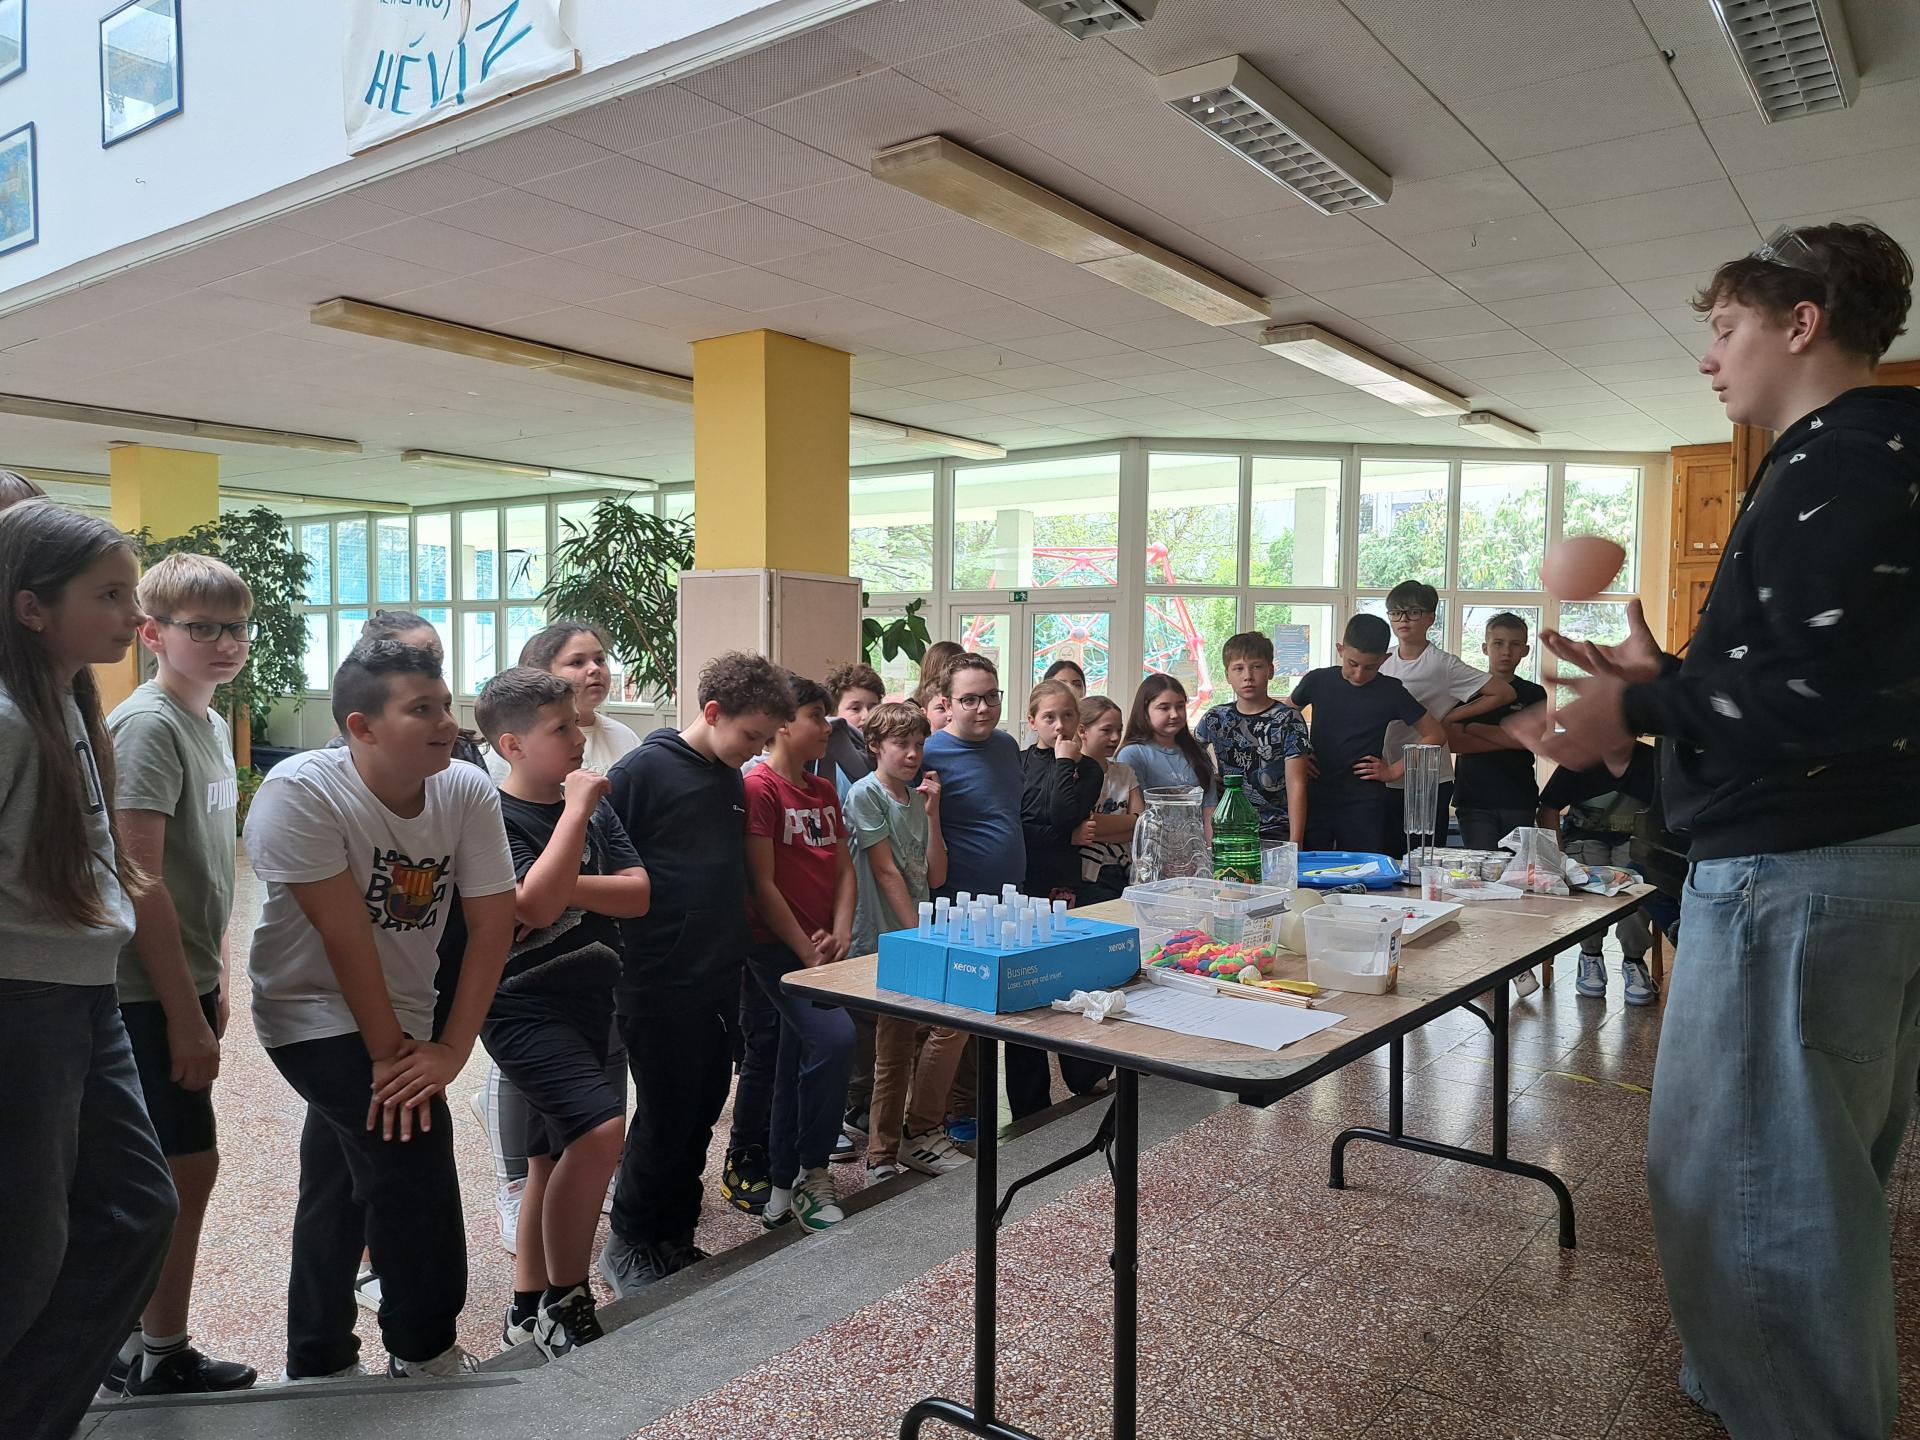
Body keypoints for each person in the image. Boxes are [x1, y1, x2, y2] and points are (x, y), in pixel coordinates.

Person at [1512, 221, 1919, 1439]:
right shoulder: (1872, 454)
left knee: (1757, 1190)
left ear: (1803, 323)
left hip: (1799, 873)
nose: (1709, 357)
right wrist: (1669, 682)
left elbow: (1812, 699)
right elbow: (1836, 688)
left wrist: (1633, 707)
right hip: (1853, 857)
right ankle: (1759, 1386)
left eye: (1727, 327)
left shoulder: (1843, 459)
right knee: (1812, 1181)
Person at [246, 637, 517, 1382]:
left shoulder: (465, 789)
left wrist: (452, 1050)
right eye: (421, 709)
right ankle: (424, 1351)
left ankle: (318, 1357)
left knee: (339, 1176)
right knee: (411, 1150)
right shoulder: (302, 790)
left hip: (407, 1007)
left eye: (446, 705)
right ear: (361, 727)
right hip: (310, 1011)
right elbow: (346, 938)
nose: (447, 723)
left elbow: (494, 923)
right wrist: (397, 1059)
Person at [0, 502, 176, 1440]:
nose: (131, 616)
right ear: (31, 608)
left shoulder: (69, 702)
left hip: (83, 995)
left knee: (135, 1215)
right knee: (25, 1256)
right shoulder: (7, 721)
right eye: (108, 596)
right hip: (22, 1005)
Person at [100, 555, 255, 1398]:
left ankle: (136, 1342)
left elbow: (209, 872)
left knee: (178, 1166)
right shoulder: (148, 725)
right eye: (202, 628)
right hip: (143, 991)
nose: (225, 642)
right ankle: (155, 1351)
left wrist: (215, 974)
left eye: (236, 627)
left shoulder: (208, 719)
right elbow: (140, 877)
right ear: (152, 633)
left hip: (184, 978)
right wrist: (183, 1014)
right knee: (183, 1168)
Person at [601, 653, 793, 1294]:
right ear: (712, 712)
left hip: (716, 976)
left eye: (765, 741)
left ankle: (674, 1236)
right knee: (663, 1114)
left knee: (702, 1109)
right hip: (656, 977)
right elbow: (604, 865)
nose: (756, 751)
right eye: (750, 736)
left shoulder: (729, 778)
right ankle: (629, 1241)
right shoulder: (642, 771)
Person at [474, 668, 650, 1359]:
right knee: (601, 1130)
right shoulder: (496, 816)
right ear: (512, 746)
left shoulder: (598, 808)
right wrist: (574, 814)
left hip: (590, 1000)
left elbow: (638, 893)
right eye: (560, 728)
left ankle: (525, 1306)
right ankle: (566, 1300)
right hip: (521, 1006)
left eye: (577, 723)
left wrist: (558, 882)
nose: (578, 737)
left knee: (550, 1155)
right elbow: (534, 904)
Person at [742, 673, 856, 1232]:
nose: (828, 727)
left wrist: (840, 932)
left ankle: (784, 1179)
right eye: (816, 716)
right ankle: (815, 1168)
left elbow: (844, 870)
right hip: (777, 951)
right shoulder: (759, 787)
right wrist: (805, 952)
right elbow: (761, 884)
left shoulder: (824, 790)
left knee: (797, 1056)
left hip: (823, 950)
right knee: (835, 1040)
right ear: (783, 724)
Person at [847, 702, 967, 1181]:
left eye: (919, 744)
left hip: (914, 934)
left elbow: (935, 875)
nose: (913, 754)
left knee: (950, 1025)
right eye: (902, 745)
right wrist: (920, 938)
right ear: (875, 746)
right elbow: (884, 870)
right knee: (895, 1045)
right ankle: (884, 1153)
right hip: (887, 939)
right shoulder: (865, 793)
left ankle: (919, 1131)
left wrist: (933, 813)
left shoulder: (916, 799)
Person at [923, 654, 1022, 1137]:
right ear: (945, 703)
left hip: (1009, 899)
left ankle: (974, 1104)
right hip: (958, 904)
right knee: (957, 1017)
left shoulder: (1006, 746)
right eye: (970, 700)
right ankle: (950, 1113)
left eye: (991, 696)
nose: (983, 708)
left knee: (992, 1010)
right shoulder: (929, 753)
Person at [1009, 678, 1108, 1118]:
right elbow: (1019, 825)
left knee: (1068, 978)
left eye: (1068, 716)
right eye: (1049, 717)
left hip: (1061, 886)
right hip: (1020, 883)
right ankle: (1029, 1103)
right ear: (1032, 721)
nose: (1060, 725)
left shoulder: (1088, 769)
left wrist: (1065, 762)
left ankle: (1084, 1072)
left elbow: (1061, 812)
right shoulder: (1017, 762)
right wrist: (1062, 836)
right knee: (1022, 989)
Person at [1289, 614, 1445, 852]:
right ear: (1340, 650)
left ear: (1385, 659)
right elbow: (1284, 718)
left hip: (1363, 800)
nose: (1359, 674)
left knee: (1365, 866)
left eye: (1370, 667)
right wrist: (1298, 754)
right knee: (1311, 864)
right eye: (1352, 664)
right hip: (1315, 793)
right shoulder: (1317, 681)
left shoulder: (1391, 691)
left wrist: (1394, 770)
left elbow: (1435, 735)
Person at [1378, 582, 1514, 854]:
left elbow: (1503, 692)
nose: (1403, 620)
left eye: (1413, 612)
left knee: (1422, 857)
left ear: (1430, 618)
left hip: (1428, 778)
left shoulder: (1443, 664)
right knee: (1385, 854)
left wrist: (1449, 717)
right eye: (1396, 612)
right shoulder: (1382, 659)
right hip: (1384, 771)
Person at [1536, 744, 1658, 1006]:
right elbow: (1548, 809)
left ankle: (1634, 960)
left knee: (1636, 883)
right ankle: (1590, 956)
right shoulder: (1579, 756)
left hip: (1636, 839)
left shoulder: (1652, 760)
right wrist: (1558, 859)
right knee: (1587, 882)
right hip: (1584, 837)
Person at [823, 660, 883, 1151]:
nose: (863, 717)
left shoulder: (882, 762)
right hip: (834, 900)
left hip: (870, 901)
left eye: (872, 707)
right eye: (854, 708)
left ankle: (863, 1104)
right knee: (843, 1014)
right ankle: (840, 1109)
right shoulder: (830, 761)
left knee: (869, 1012)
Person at [1195, 631, 1311, 846]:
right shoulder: (1215, 718)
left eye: (1256, 666)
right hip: (1229, 827)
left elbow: (1297, 784)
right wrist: (1210, 778)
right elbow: (1189, 757)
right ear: (1228, 675)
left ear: (1270, 671)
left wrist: (1296, 842)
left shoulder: (1288, 719)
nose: (1247, 676)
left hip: (1277, 828)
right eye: (1238, 668)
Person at [1446, 613, 1548, 852]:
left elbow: (1531, 741)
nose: (1506, 651)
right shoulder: (1466, 692)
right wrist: (1512, 737)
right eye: (1498, 643)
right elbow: (1454, 742)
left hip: (1519, 798)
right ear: (1485, 647)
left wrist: (1473, 727)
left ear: (1526, 650)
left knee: (1517, 869)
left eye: (1515, 644)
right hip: (1474, 799)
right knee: (1481, 868)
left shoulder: (1534, 693)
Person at [517, 621, 640, 774]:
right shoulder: (523, 743)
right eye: (577, 662)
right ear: (545, 672)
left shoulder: (625, 737)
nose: (595, 669)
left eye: (600, 660)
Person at [1074, 695, 1142, 905]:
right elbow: (1081, 824)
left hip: (1124, 868)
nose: (1115, 738)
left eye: (1119, 730)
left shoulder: (1124, 772)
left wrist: (1099, 828)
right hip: (1086, 873)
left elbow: (1141, 824)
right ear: (1082, 730)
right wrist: (1127, 824)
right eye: (1106, 730)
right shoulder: (1072, 772)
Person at [1117, 673, 1217, 810]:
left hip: (1196, 824)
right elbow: (1137, 813)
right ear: (1145, 712)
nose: (1174, 714)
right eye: (1164, 708)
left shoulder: (1198, 752)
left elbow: (1209, 808)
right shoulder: (1133, 754)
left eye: (1180, 706)